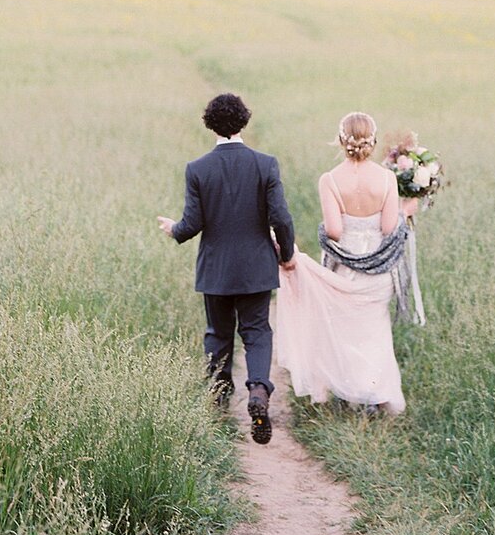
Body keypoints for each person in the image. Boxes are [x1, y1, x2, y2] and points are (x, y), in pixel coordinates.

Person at [158, 92, 296, 444]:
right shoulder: (266, 164)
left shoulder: (198, 169)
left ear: (210, 124)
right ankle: (259, 391)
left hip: (216, 270)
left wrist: (173, 228)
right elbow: (280, 217)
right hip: (256, 267)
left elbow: (192, 223)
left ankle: (218, 402)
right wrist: (286, 253)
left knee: (218, 336)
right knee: (257, 332)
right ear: (244, 121)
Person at [275, 111, 407, 414]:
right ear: (373, 141)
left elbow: (334, 231)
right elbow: (389, 228)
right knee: (374, 331)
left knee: (346, 330)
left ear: (340, 140)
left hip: (345, 270)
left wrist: (327, 229)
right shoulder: (387, 178)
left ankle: (353, 393)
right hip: (378, 270)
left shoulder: (330, 180)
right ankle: (372, 395)